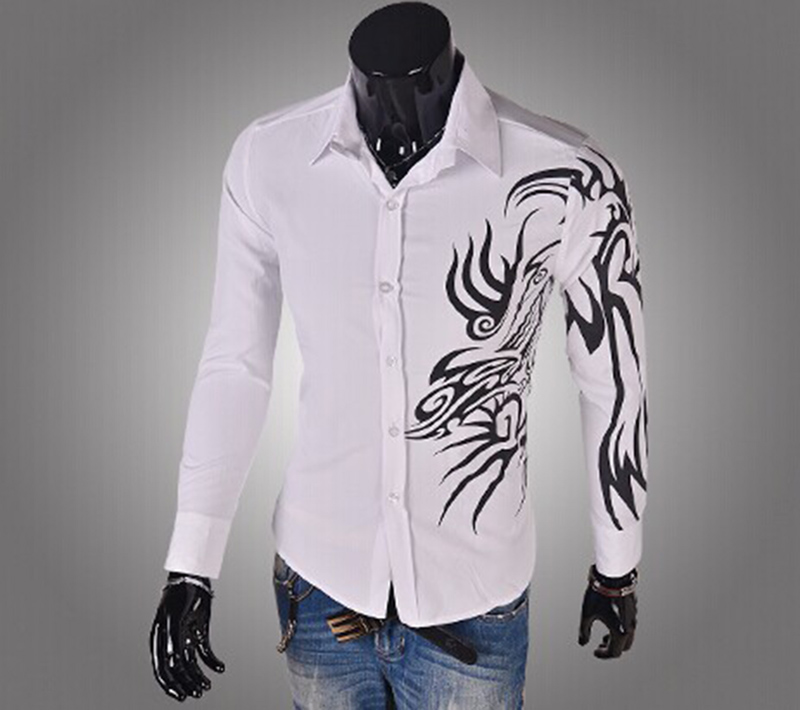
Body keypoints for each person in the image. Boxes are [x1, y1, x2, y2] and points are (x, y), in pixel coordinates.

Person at [149, 2, 648, 707]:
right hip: (317, 589)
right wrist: (191, 563)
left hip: (474, 602)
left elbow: (611, 379)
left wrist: (617, 562)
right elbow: (236, 364)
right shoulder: (269, 158)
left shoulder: (570, 175)